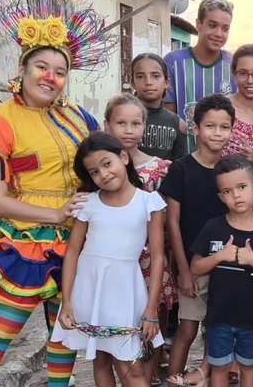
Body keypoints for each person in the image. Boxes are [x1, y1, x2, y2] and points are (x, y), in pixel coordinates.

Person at [0, 0, 112, 387]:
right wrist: (55, 214)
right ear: (22, 68)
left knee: (64, 328)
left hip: (76, 238)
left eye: (60, 71)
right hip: (27, 243)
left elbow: (103, 163)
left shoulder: (79, 116)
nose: (50, 77)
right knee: (0, 333)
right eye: (41, 66)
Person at [50, 132, 165, 386]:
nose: (103, 174)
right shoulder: (87, 204)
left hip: (125, 294)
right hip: (89, 292)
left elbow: (158, 258)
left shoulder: (149, 202)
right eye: (94, 172)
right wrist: (67, 301)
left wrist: (151, 309)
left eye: (107, 163)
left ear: (123, 157)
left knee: (131, 366)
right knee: (100, 359)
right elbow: (73, 253)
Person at [189, 156, 253, 387]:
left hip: (250, 318)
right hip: (218, 317)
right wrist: (219, 256)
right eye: (227, 191)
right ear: (221, 197)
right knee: (219, 367)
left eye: (242, 187)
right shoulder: (213, 227)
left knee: (248, 366)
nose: (236, 195)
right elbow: (195, 267)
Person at [160, 94, 234, 386]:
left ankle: (207, 376)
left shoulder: (231, 170)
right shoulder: (181, 168)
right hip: (193, 264)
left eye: (224, 127)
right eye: (210, 126)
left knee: (218, 329)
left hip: (227, 264)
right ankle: (174, 379)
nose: (217, 133)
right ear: (196, 127)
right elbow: (173, 223)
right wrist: (183, 269)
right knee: (188, 329)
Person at [104, 93, 176, 385]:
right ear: (107, 125)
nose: (129, 130)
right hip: (113, 262)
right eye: (121, 123)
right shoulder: (99, 171)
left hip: (150, 260)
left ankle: (148, 376)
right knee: (116, 332)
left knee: (151, 328)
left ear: (144, 127)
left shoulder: (160, 169)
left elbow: (169, 217)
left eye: (136, 123)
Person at [163, 0, 236, 152]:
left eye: (225, 28)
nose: (219, 33)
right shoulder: (173, 62)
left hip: (224, 161)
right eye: (212, 25)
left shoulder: (233, 65)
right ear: (199, 24)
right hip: (184, 158)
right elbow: (167, 118)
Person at [132, 53, 188, 161]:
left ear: (167, 82)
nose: (148, 82)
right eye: (140, 77)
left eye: (156, 76)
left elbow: (180, 165)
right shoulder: (123, 118)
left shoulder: (177, 124)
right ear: (133, 83)